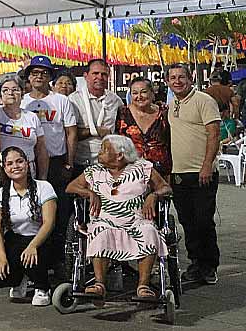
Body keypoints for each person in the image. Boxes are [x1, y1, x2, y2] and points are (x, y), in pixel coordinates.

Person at [66, 136, 172, 301]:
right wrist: (89, 192)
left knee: (149, 231)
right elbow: (71, 187)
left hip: (136, 220)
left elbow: (166, 187)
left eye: (104, 149)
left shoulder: (143, 168)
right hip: (104, 220)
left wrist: (154, 195)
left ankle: (143, 286)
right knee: (99, 232)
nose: (99, 153)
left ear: (120, 155)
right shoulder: (94, 171)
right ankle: (99, 285)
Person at [20, 55, 77, 273]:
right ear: (28, 77)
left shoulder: (61, 101)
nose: (39, 77)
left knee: (58, 214)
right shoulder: (22, 101)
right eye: (34, 73)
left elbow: (71, 133)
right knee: (30, 214)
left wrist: (69, 163)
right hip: (27, 163)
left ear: (50, 77)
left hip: (56, 162)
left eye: (44, 73)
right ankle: (32, 261)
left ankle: (58, 260)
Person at [166, 64, 221, 285]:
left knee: (203, 221)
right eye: (173, 78)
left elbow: (214, 135)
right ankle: (196, 263)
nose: (177, 81)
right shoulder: (172, 104)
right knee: (187, 222)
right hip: (179, 174)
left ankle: (210, 266)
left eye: (181, 77)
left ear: (190, 78)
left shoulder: (204, 100)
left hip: (202, 173)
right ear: (168, 82)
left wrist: (207, 165)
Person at [0, 147, 57, 307]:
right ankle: (19, 279)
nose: (15, 166)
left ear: (27, 163)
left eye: (19, 161)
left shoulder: (44, 187)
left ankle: (42, 287)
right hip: (16, 239)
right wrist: (1, 256)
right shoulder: (1, 194)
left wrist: (33, 246)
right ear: (4, 168)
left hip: (41, 239)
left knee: (32, 254)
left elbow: (49, 223)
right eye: (10, 164)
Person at [69, 59, 123, 173]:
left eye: (104, 74)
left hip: (109, 164)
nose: (100, 77)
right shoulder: (73, 100)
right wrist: (94, 131)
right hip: (81, 163)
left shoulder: (115, 101)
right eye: (95, 73)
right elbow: (69, 134)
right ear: (86, 76)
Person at [116, 77, 171, 179]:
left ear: (152, 93)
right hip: (131, 175)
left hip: (161, 174)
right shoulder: (121, 113)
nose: (139, 96)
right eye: (135, 93)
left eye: (144, 92)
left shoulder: (164, 113)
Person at [0, 77, 48, 179]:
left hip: (28, 172)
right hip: (1, 172)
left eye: (15, 89)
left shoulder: (32, 117)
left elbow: (41, 149)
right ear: (0, 94)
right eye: (5, 90)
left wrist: (43, 177)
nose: (10, 93)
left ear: (22, 93)